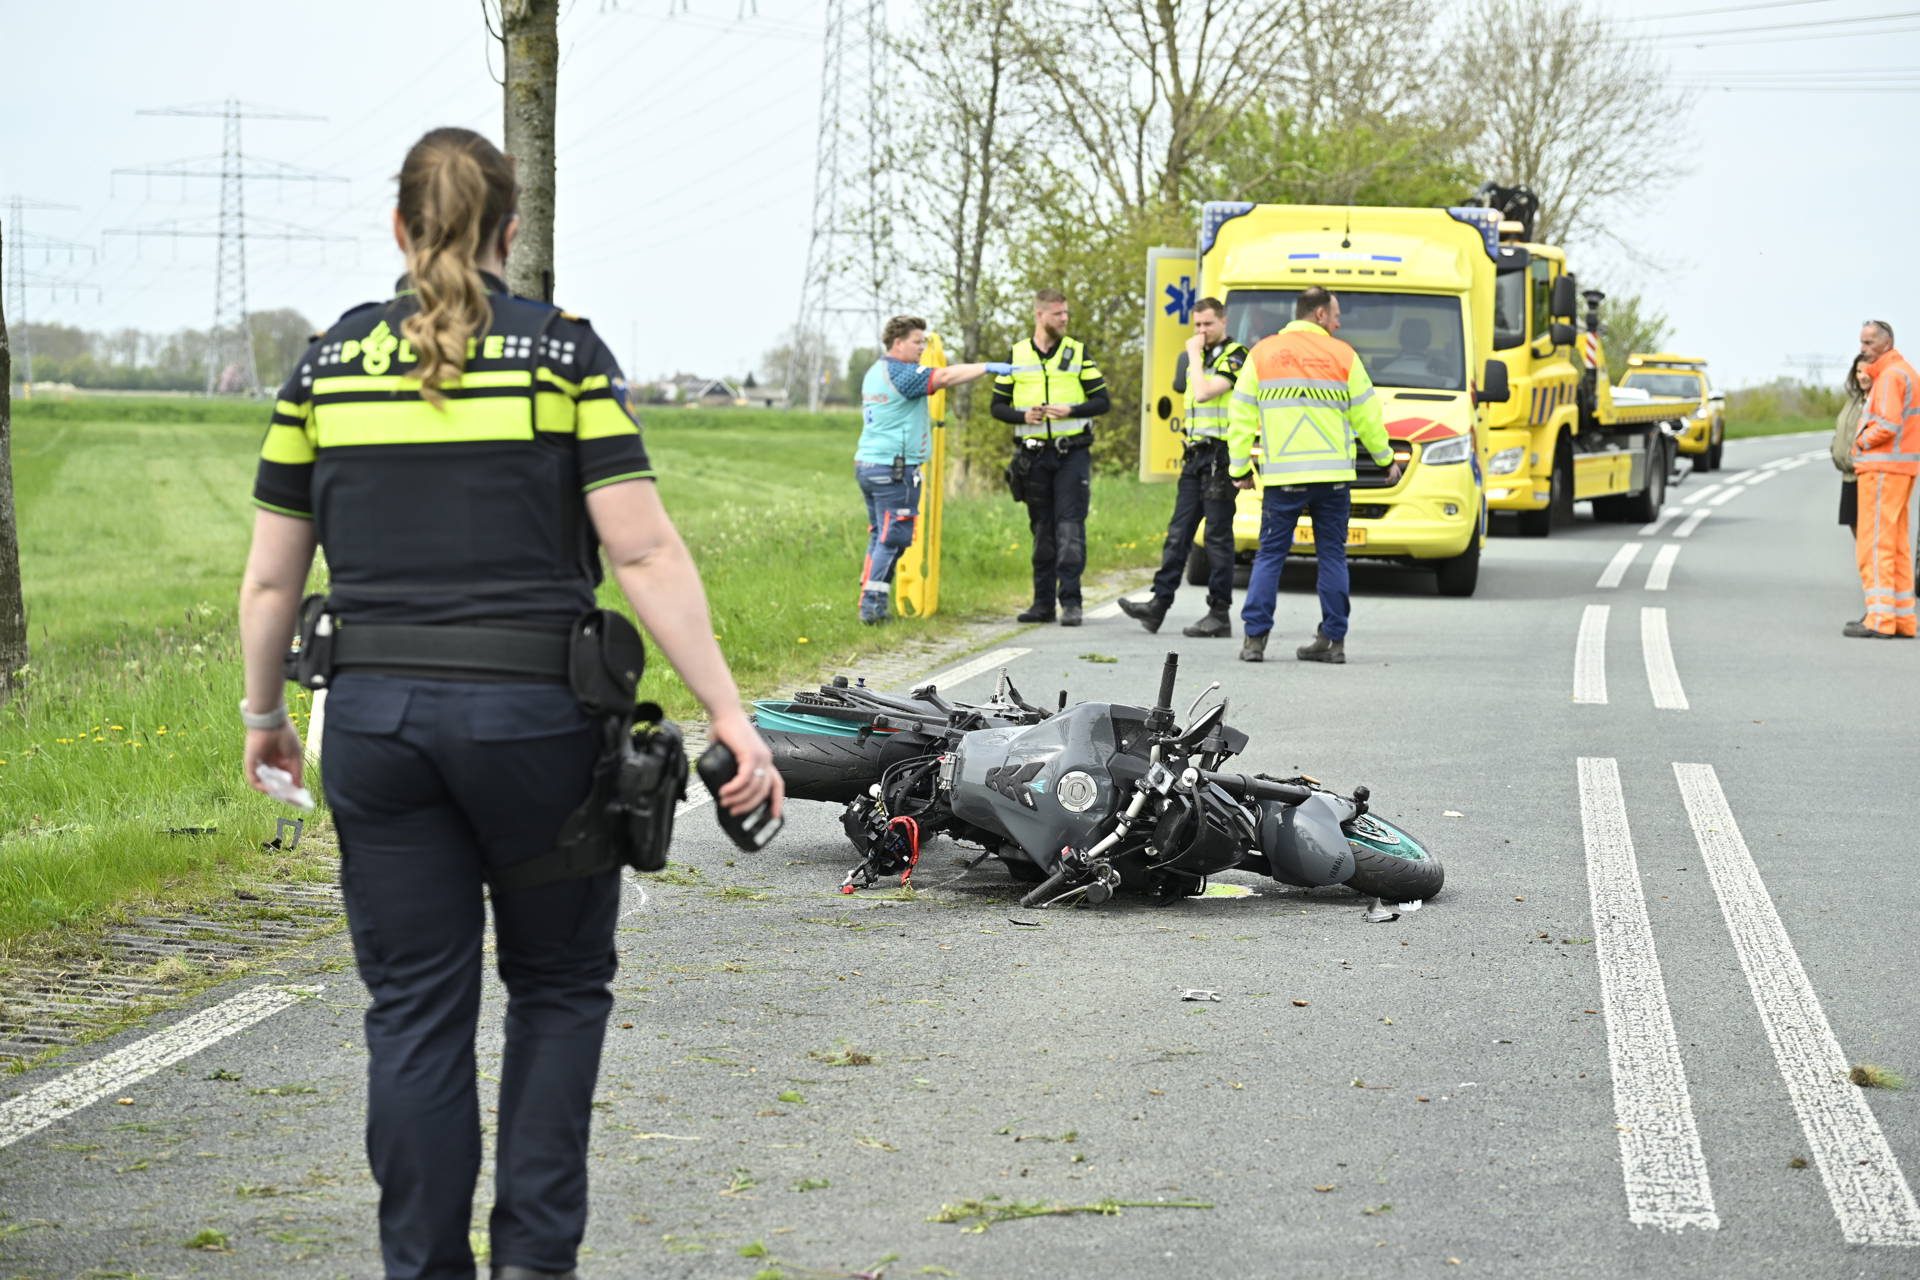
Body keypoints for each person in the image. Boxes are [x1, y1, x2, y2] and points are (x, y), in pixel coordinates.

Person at [237, 127, 782, 1280]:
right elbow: (641, 552)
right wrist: (728, 715)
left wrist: (262, 715)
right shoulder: (563, 359)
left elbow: (273, 576)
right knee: (558, 986)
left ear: (399, 228)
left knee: (416, 1013)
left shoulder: (325, 368)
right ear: (510, 233)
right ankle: (535, 1262)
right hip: (537, 728)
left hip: (379, 729)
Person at [1228, 287, 1402, 664]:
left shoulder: (1262, 353)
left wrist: (1239, 468)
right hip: (1333, 478)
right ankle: (1333, 641)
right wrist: (1386, 459)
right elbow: (1368, 417)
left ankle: (1254, 640)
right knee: (1332, 556)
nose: (1339, 323)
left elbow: (1239, 416)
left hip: (1283, 478)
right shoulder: (1343, 355)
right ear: (1320, 314)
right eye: (1336, 315)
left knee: (1270, 555)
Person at [854, 317, 1003, 623]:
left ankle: (867, 598)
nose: (922, 347)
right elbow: (945, 376)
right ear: (898, 343)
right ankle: (873, 608)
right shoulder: (902, 373)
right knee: (892, 538)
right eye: (916, 342)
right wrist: (986, 367)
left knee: (878, 535)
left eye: (923, 342)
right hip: (894, 470)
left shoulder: (875, 371)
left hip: (868, 464)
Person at [1119, 297, 1249, 637]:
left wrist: (1193, 352)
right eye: (1197, 326)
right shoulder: (1199, 357)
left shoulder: (1236, 356)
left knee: (1217, 539)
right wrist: (1195, 355)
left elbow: (1205, 393)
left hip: (1221, 458)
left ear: (1223, 321)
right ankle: (1158, 605)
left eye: (1208, 324)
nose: (1202, 331)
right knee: (1178, 534)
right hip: (1195, 456)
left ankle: (1219, 614)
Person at [991, 289, 1111, 626]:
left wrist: (1072, 409)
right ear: (1040, 315)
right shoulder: (1016, 355)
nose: (1064, 319)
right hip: (1033, 459)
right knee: (1042, 530)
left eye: (1066, 314)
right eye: (1058, 314)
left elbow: (1102, 401)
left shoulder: (1077, 353)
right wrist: (1022, 417)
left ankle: (1071, 602)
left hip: (1071, 454)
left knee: (1070, 528)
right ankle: (1041, 604)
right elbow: (996, 406)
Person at [1848, 318, 1919, 638]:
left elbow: (1887, 425)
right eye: (1862, 342)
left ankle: (1879, 619)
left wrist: (1860, 442)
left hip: (1881, 470)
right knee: (1897, 544)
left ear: (1886, 343)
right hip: (1900, 470)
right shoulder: (1904, 371)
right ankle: (1903, 618)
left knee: (1875, 545)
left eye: (1868, 343)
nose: (1863, 349)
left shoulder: (1890, 376)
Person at [1830, 353, 1870, 539]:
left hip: (1867, 474)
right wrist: (1835, 448)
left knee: (1868, 531)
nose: (1862, 375)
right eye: (1858, 371)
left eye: (1866, 371)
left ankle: (1872, 567)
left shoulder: (1877, 400)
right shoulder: (1854, 399)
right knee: (1854, 524)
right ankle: (1867, 567)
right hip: (1849, 475)